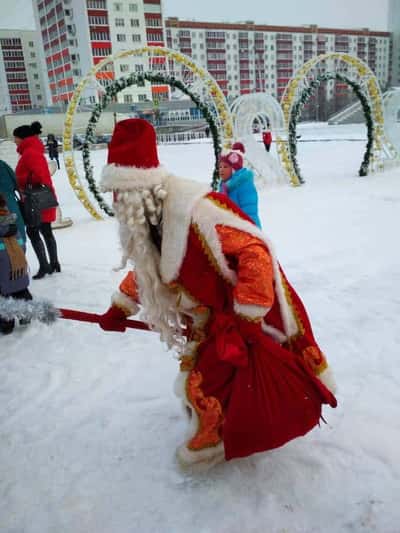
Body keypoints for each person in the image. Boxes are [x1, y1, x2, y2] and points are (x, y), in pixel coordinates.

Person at [98, 118, 337, 469]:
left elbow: (255, 251)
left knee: (213, 376)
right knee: (204, 373)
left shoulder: (194, 211)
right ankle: (219, 426)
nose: (117, 201)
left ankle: (219, 434)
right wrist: (121, 306)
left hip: (236, 310)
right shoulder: (152, 218)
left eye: (121, 193)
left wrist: (248, 316)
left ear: (141, 190)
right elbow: (150, 268)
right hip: (207, 314)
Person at [13, 124, 61, 279]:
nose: (15, 141)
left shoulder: (29, 153)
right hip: (42, 197)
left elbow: (40, 176)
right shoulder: (34, 151)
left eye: (16, 138)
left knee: (33, 231)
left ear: (22, 138)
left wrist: (18, 179)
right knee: (46, 230)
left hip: (35, 199)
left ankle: (45, 266)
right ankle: (54, 263)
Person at [0, 193, 32, 334]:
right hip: (17, 263)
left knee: (3, 295)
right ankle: (26, 314)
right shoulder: (9, 218)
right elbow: (22, 243)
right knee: (20, 288)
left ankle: (6, 324)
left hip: (2, 263)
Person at [218, 141, 262, 228]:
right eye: (220, 167)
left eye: (225, 167)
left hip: (247, 232)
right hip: (231, 232)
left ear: (234, 170)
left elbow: (249, 212)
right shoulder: (224, 187)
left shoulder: (244, 185)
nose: (221, 170)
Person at [0, 159, 26, 243]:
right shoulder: (2, 164)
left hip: (4, 208)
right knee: (19, 236)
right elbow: (15, 182)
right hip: (12, 205)